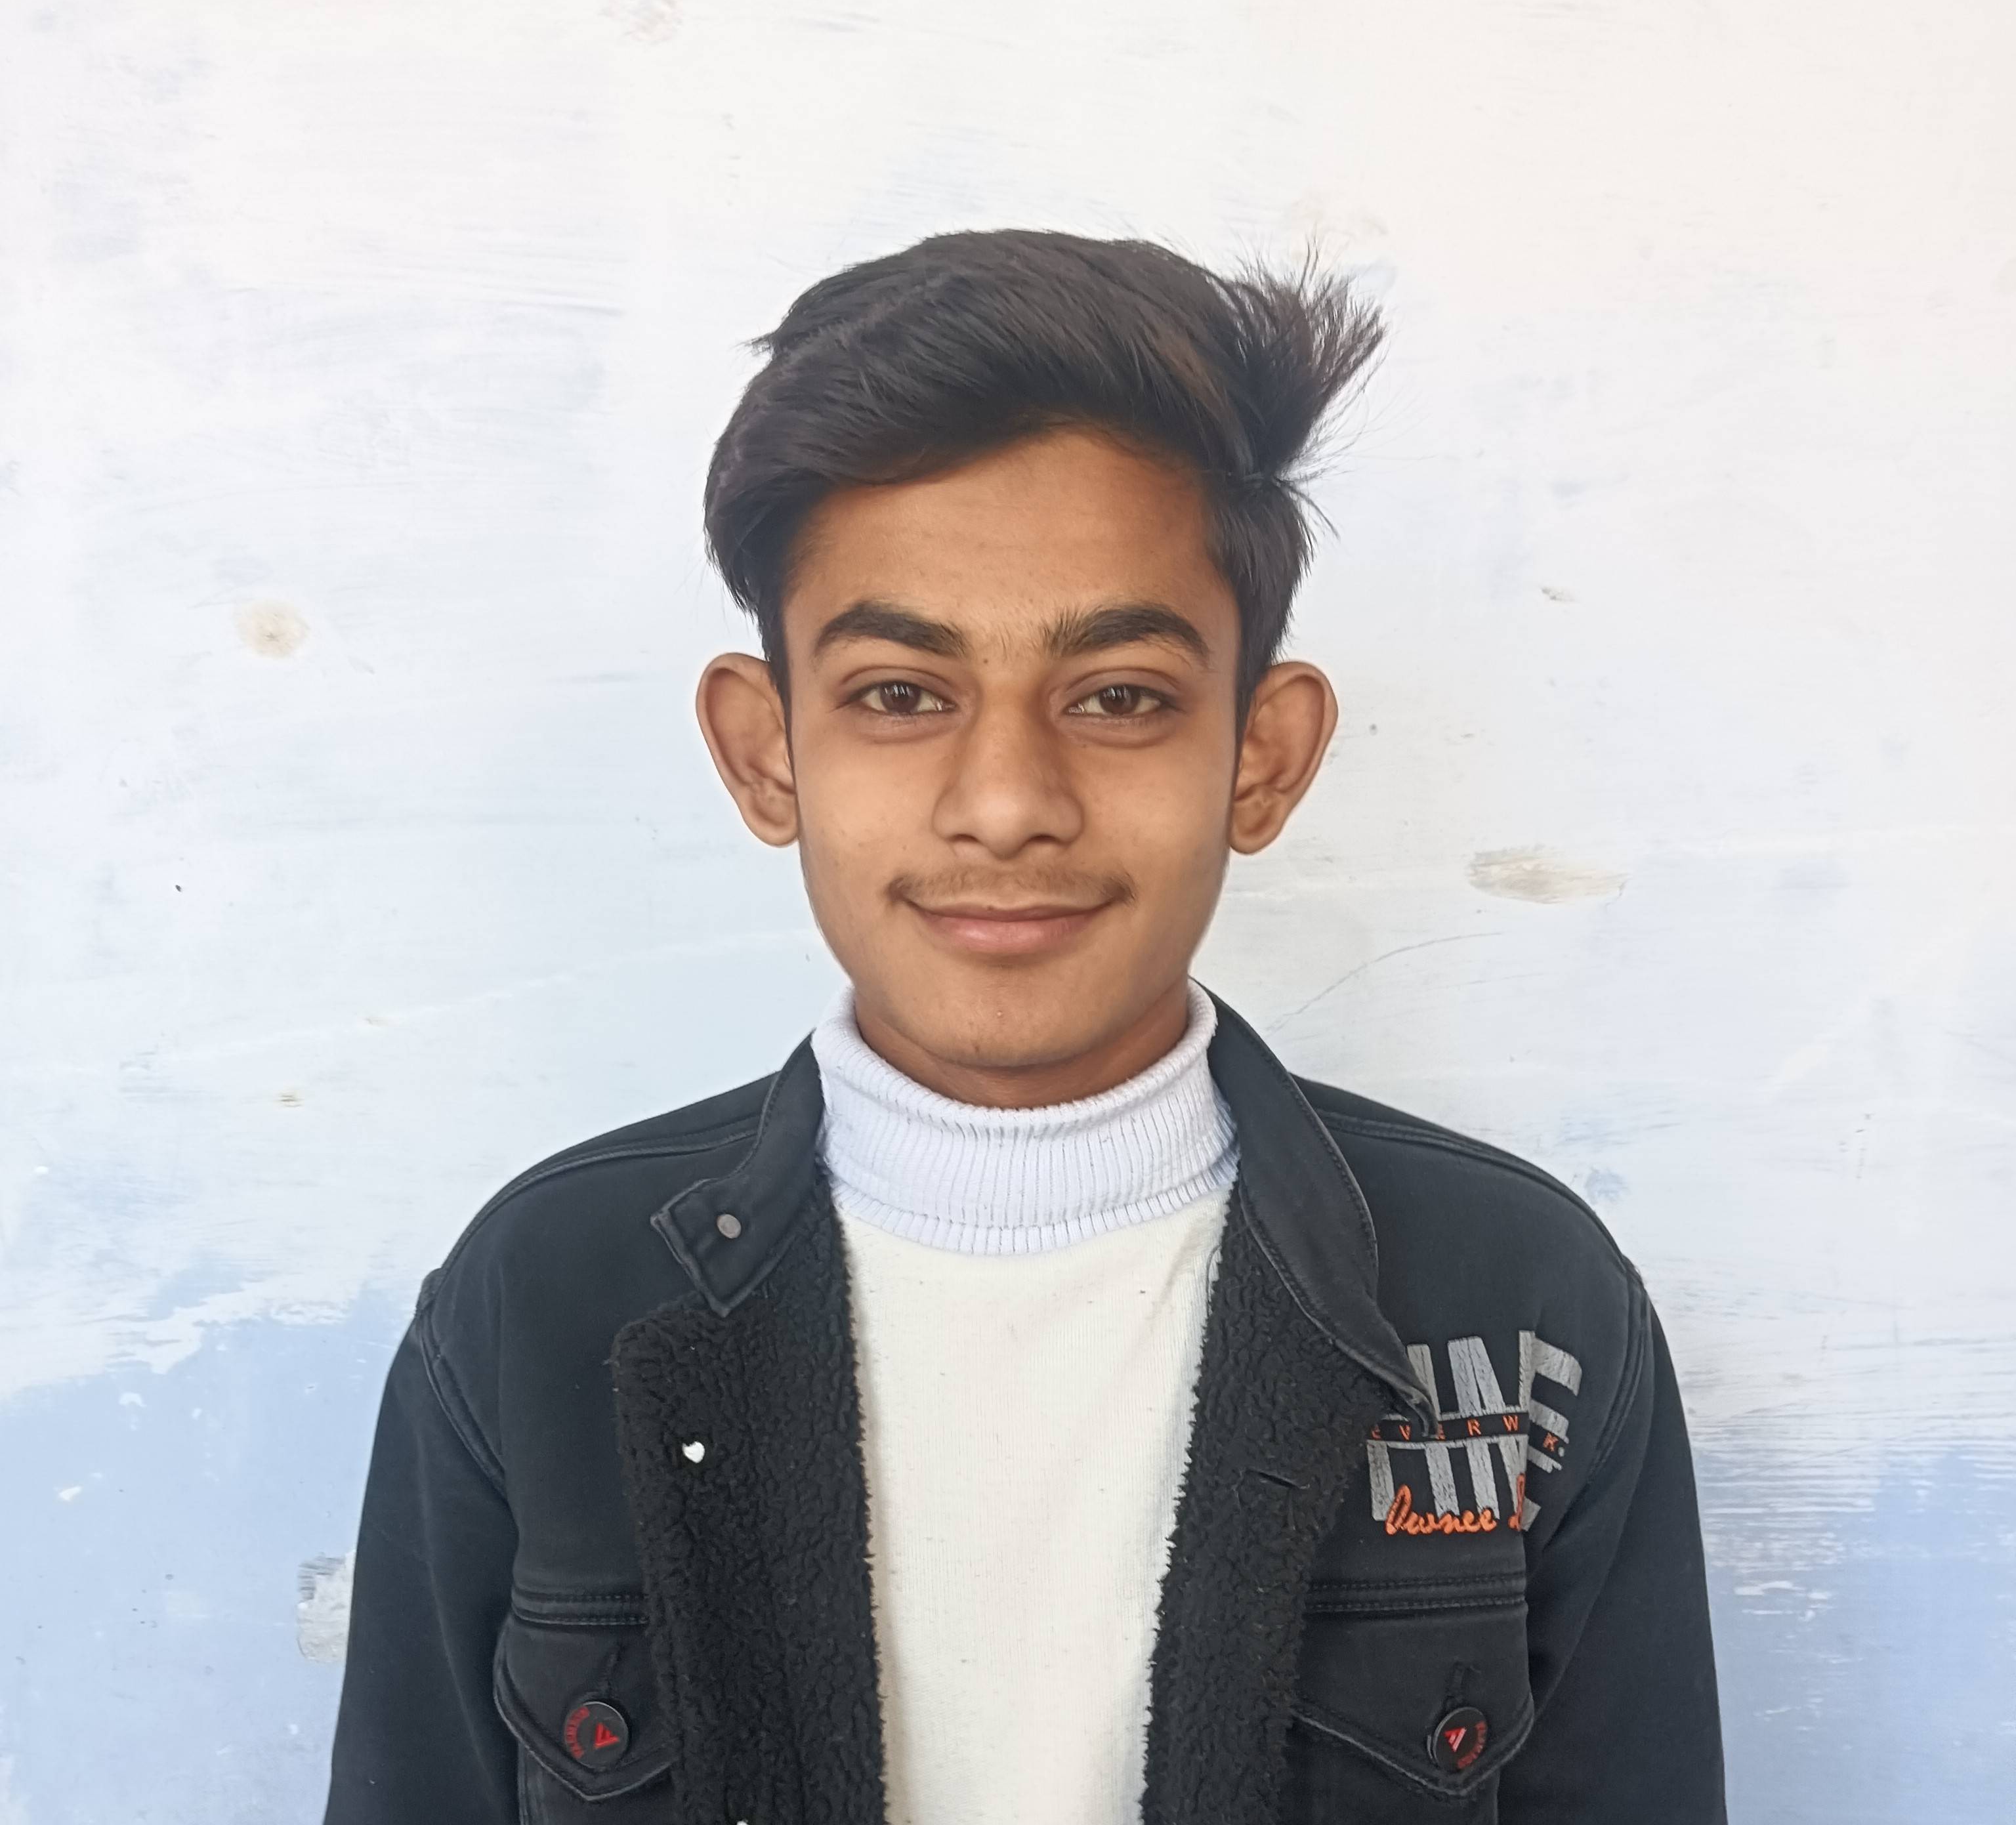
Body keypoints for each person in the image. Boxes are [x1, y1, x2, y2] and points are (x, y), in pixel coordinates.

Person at [324, 230, 1725, 1825]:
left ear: (1260, 757)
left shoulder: (1521, 1302)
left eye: (1119, 695)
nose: (1006, 803)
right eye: (900, 695)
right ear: (766, 753)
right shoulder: (541, 1298)